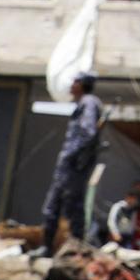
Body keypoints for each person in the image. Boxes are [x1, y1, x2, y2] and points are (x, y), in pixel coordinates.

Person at [39, 73, 103, 255]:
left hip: (74, 166)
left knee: (66, 207)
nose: (71, 86)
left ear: (82, 84)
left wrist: (71, 155)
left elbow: (88, 133)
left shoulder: (88, 102)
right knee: (58, 206)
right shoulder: (86, 103)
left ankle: (71, 249)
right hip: (72, 165)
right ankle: (54, 247)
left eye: (75, 82)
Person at [106, 178, 140, 249]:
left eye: (135, 200)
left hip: (127, 237)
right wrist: (115, 233)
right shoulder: (118, 207)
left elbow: (132, 224)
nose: (133, 201)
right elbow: (111, 221)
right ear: (128, 197)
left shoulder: (134, 210)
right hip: (116, 235)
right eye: (132, 199)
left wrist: (139, 229)